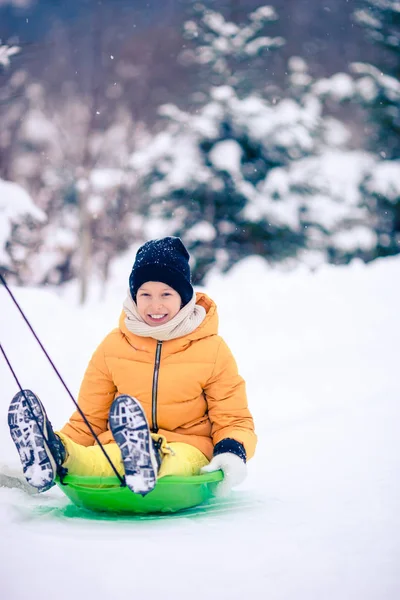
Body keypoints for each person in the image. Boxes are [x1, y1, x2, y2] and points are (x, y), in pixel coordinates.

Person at [8, 237, 257, 498]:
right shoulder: (113, 346)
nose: (155, 305)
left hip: (189, 448)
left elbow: (232, 418)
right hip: (122, 446)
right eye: (145, 294)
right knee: (99, 461)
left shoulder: (212, 350)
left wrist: (231, 450)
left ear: (184, 298)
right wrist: (67, 440)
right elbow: (89, 420)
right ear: (133, 296)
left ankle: (151, 460)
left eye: (166, 294)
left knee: (180, 461)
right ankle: (56, 453)